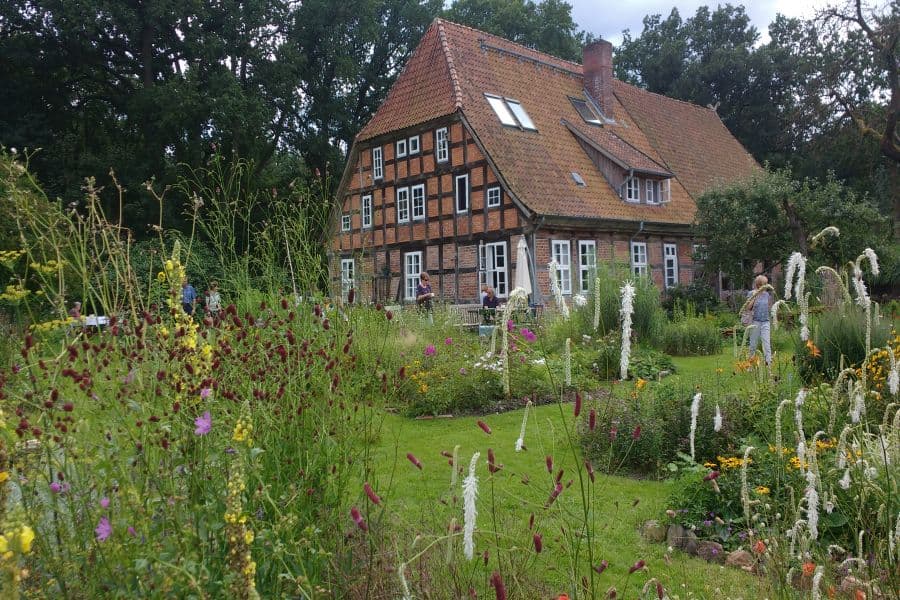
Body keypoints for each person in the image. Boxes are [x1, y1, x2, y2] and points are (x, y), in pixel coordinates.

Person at [747, 274, 772, 367]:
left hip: (766, 322)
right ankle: (750, 366)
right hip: (755, 322)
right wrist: (755, 296)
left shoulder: (767, 294)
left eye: (766, 283)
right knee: (753, 344)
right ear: (759, 284)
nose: (766, 285)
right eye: (764, 284)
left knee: (767, 344)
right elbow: (748, 308)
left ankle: (768, 365)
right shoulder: (751, 293)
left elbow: (768, 307)